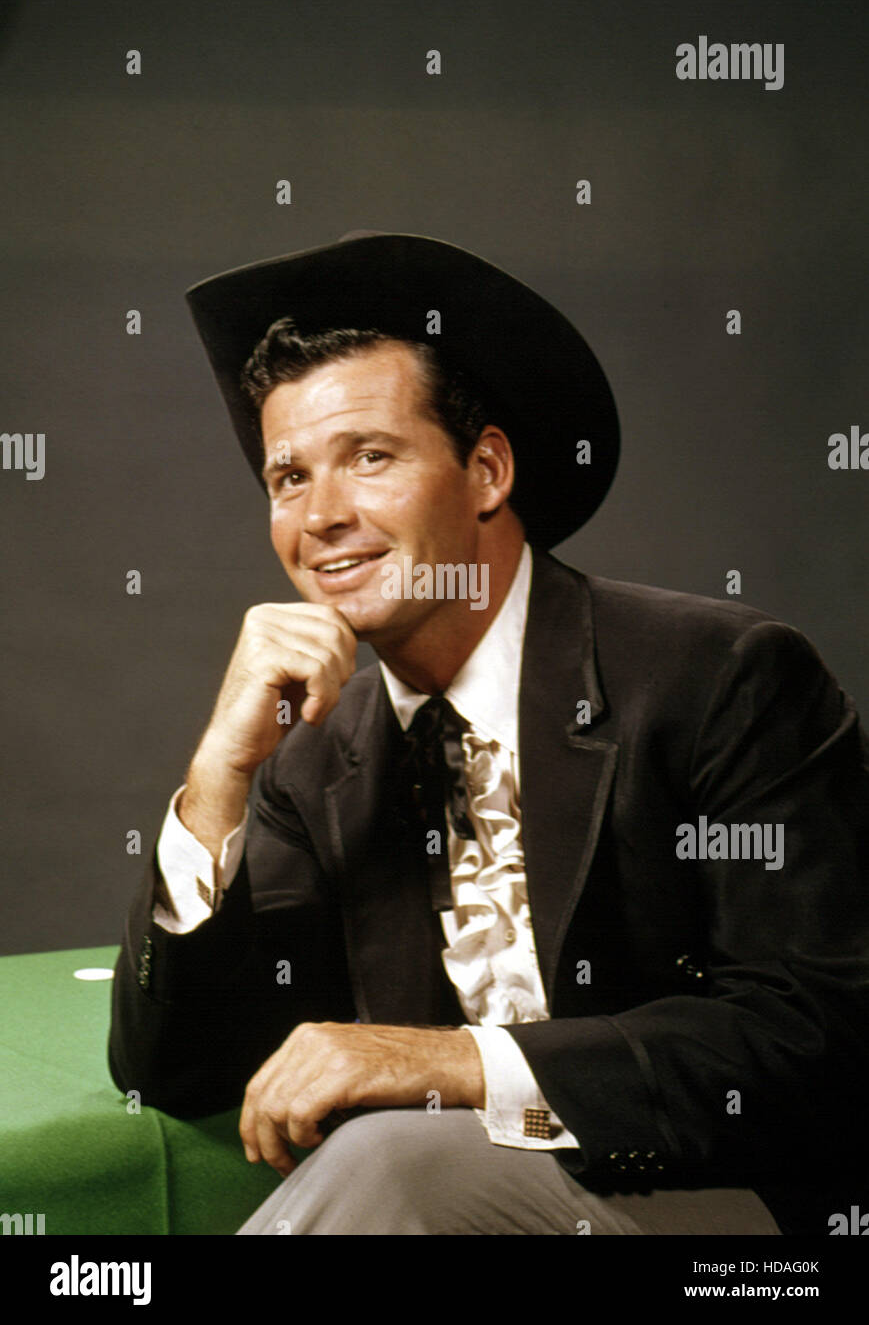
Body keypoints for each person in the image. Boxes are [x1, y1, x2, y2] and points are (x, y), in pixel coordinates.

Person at [108, 232, 869, 1236]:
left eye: (368, 458)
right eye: (287, 478)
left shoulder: (720, 676)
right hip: (439, 1198)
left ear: (486, 471)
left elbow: (813, 1034)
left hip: (728, 1204)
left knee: (385, 1156)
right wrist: (218, 773)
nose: (321, 514)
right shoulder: (315, 764)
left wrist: (454, 1063)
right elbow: (181, 1067)